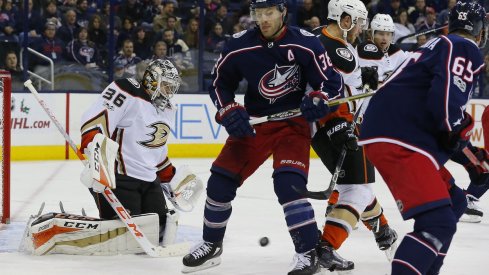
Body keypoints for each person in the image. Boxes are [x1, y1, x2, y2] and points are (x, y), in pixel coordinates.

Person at [181, 0, 345, 274]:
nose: (263, 19)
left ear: (282, 12)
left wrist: (319, 97)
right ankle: (211, 245)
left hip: (293, 125)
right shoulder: (239, 45)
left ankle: (307, 253)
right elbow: (220, 84)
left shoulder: (306, 43)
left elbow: (331, 82)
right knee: (220, 183)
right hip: (254, 125)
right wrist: (228, 109)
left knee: (289, 186)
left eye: (269, 13)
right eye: (259, 13)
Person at [358, 2, 487, 274]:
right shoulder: (464, 47)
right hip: (401, 137)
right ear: (479, 30)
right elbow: (445, 109)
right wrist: (465, 144)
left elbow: (438, 116)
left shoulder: (434, 45)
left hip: (394, 132)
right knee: (438, 223)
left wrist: (469, 155)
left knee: (455, 202)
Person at [310, 0, 398, 271]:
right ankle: (326, 248)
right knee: (357, 191)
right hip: (339, 124)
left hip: (318, 129)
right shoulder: (340, 52)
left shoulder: (316, 38)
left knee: (356, 187)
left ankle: (384, 232)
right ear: (345, 21)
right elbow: (342, 92)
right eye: (358, 22)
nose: (361, 28)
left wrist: (369, 79)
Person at [79, 59, 202, 247]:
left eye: (172, 87)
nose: (170, 91)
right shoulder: (127, 90)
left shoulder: (168, 109)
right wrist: (97, 160)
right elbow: (95, 123)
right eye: (166, 85)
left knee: (160, 231)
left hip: (149, 181)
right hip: (119, 178)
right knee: (123, 239)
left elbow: (156, 151)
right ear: (153, 80)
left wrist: (170, 178)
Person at [358, 14, 408, 85]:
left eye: (388, 34)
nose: (385, 38)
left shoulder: (396, 51)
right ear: (372, 34)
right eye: (381, 34)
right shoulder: (364, 50)